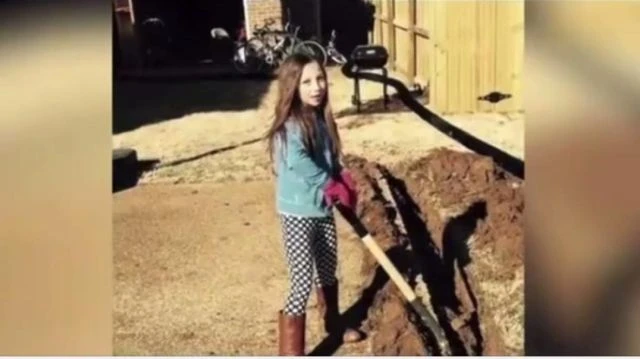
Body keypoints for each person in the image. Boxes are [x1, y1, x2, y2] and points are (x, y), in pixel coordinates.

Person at [265, 53, 365, 355]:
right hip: (297, 213)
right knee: (300, 281)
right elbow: (299, 162)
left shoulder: (321, 119)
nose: (316, 87)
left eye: (320, 78)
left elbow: (327, 158)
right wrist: (329, 183)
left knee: (327, 269)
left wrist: (342, 176)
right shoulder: (290, 126)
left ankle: (333, 325)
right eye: (307, 81)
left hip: (321, 209)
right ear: (292, 87)